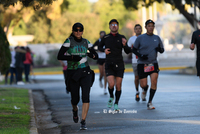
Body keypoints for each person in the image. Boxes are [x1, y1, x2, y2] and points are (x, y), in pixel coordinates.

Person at [57, 22, 98, 130]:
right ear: (73, 31)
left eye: (80, 30)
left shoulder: (86, 42)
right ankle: (75, 110)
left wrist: (91, 54)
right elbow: (59, 55)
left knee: (86, 97)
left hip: (85, 72)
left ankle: (83, 121)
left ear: (83, 31)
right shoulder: (69, 41)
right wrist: (72, 58)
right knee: (75, 99)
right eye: (76, 30)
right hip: (73, 72)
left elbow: (95, 55)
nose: (78, 32)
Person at [98, 19, 131, 111]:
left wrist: (124, 45)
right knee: (111, 84)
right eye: (112, 24)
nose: (114, 26)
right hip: (109, 63)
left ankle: (116, 103)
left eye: (115, 24)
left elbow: (128, 51)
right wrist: (103, 50)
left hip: (119, 64)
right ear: (109, 26)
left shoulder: (121, 37)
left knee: (118, 86)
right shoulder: (105, 37)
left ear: (118, 26)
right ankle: (111, 96)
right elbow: (99, 47)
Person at [132, 19, 164, 110]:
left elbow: (162, 50)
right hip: (142, 64)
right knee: (143, 84)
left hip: (153, 63)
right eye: (149, 26)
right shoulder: (140, 38)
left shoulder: (157, 38)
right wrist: (140, 55)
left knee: (154, 82)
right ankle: (144, 89)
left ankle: (150, 102)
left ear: (154, 27)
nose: (151, 27)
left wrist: (159, 49)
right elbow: (134, 50)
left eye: (152, 26)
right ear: (146, 27)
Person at [127, 24, 142, 102]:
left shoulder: (144, 38)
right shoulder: (131, 39)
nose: (138, 30)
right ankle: (137, 91)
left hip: (143, 61)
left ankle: (144, 90)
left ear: (141, 30)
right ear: (134, 30)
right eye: (136, 29)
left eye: (139, 28)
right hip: (135, 61)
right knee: (136, 77)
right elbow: (128, 49)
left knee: (143, 78)